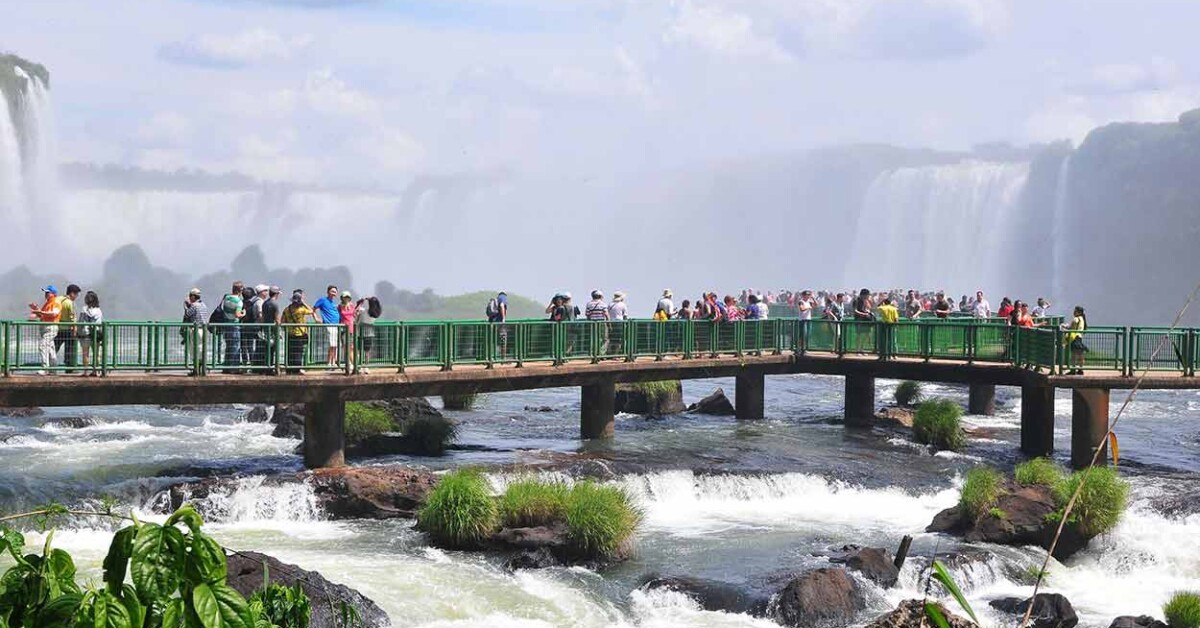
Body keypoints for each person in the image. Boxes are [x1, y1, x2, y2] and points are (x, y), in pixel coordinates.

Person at [28, 286, 62, 375]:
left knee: (43, 345)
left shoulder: (56, 302)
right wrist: (36, 309)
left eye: (48, 292)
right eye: (45, 292)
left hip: (51, 327)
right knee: (50, 348)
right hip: (45, 328)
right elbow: (42, 315)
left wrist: (40, 312)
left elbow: (54, 314)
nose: (46, 294)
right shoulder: (47, 303)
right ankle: (53, 369)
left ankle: (45, 368)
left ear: (53, 294)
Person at [282, 290, 317, 374]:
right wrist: (304, 303)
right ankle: (297, 369)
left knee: (290, 352)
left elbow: (282, 320)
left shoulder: (287, 309)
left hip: (290, 333)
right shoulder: (301, 310)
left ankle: (289, 369)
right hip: (299, 334)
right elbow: (312, 311)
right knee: (298, 352)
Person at [220, 282, 246, 374]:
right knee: (235, 347)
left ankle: (226, 367)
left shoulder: (226, 298)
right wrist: (243, 313)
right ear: (240, 290)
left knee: (228, 346)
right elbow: (237, 314)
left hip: (226, 325)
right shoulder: (239, 301)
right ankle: (234, 368)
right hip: (234, 325)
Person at [312, 285, 341, 367]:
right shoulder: (323, 300)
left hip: (336, 325)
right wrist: (316, 318)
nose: (333, 293)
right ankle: (329, 363)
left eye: (335, 292)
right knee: (332, 344)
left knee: (335, 345)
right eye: (332, 291)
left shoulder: (334, 303)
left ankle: (333, 362)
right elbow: (313, 309)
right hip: (329, 324)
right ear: (328, 292)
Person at [54, 284, 81, 373]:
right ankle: (69, 368)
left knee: (54, 347)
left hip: (57, 328)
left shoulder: (58, 299)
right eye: (76, 294)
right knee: (70, 349)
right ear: (72, 293)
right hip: (68, 329)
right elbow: (72, 317)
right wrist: (75, 329)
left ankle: (49, 365)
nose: (76, 297)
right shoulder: (69, 303)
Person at [77, 291, 103, 377]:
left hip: (85, 334)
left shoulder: (84, 309)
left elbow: (81, 322)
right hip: (96, 334)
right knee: (96, 353)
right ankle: (96, 371)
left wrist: (78, 332)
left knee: (85, 353)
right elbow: (100, 322)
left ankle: (85, 371)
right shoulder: (98, 310)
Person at [183, 288, 208, 374]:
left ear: (193, 296)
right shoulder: (204, 305)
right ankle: (202, 369)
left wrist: (186, 306)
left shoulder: (194, 306)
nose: (189, 297)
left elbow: (187, 315)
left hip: (195, 330)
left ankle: (196, 370)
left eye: (190, 296)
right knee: (201, 350)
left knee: (195, 350)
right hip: (204, 330)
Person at [355, 296, 381, 373]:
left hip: (360, 333)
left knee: (358, 351)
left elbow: (356, 311)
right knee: (367, 352)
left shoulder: (364, 311)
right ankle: (366, 367)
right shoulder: (376, 314)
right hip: (370, 334)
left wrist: (361, 302)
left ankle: (359, 366)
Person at [261, 286, 282, 370]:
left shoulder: (265, 303)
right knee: (273, 349)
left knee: (267, 350)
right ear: (276, 294)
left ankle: (267, 367)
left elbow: (263, 317)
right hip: (273, 330)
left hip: (266, 329)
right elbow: (277, 319)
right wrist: (279, 329)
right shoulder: (275, 304)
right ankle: (273, 368)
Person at [1064, 306, 1088, 375]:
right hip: (1079, 337)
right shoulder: (1082, 319)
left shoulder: (1076, 319)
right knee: (1080, 355)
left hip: (1075, 338)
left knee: (1074, 355)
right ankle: (1080, 369)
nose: (1074, 312)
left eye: (1075, 311)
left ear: (1079, 312)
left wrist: (1065, 326)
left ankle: (1073, 370)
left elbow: (1072, 327)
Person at [488, 291, 509, 361]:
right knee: (503, 340)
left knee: (492, 340)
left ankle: (490, 358)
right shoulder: (503, 297)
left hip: (492, 322)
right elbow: (502, 305)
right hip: (499, 323)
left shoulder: (496, 299)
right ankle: (503, 358)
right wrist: (503, 319)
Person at [339, 291, 357, 370]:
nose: (346, 299)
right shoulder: (339, 306)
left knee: (351, 347)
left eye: (347, 297)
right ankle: (349, 363)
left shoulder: (352, 306)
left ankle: (354, 364)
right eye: (345, 297)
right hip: (343, 328)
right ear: (342, 298)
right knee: (345, 346)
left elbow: (355, 315)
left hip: (351, 328)